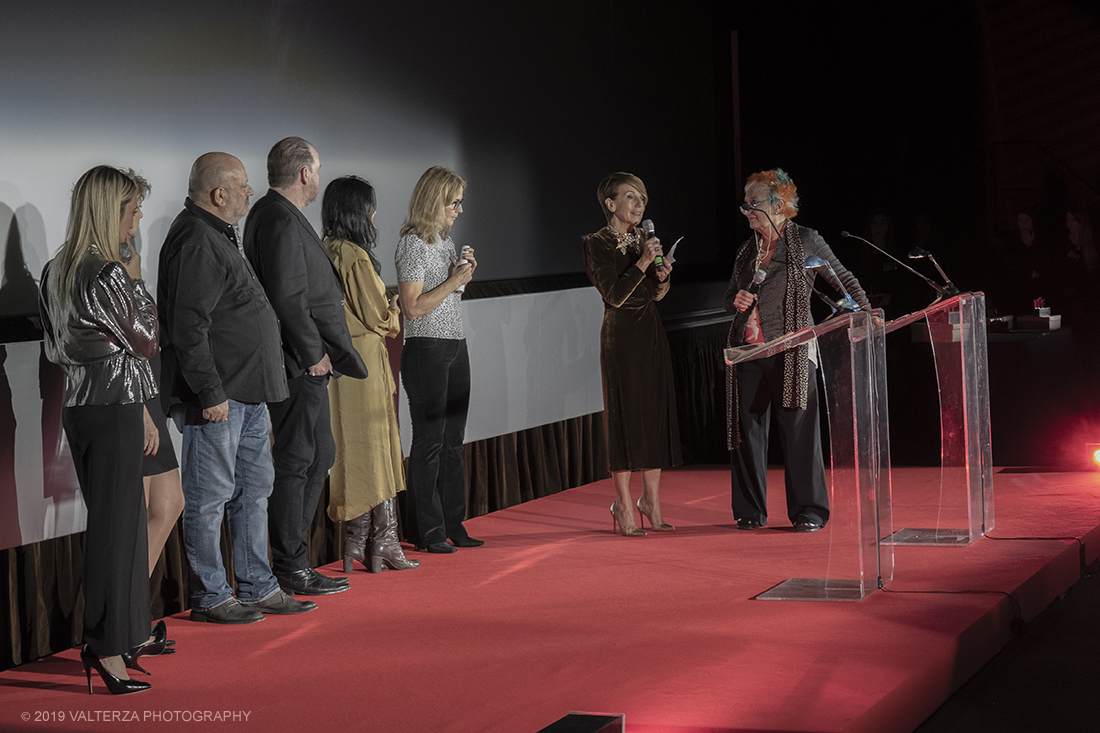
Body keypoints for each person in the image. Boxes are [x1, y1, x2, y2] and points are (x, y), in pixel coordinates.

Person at [159, 152, 317, 623]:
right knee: (209, 498)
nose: (251, 192)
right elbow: (188, 326)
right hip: (219, 399)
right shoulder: (196, 239)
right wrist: (210, 393)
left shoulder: (214, 234)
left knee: (254, 489)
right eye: (243, 185)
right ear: (218, 193)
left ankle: (257, 586)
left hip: (245, 394)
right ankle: (211, 596)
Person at [39, 165, 158, 694]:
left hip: (82, 406)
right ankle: (107, 647)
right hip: (113, 409)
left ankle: (121, 638)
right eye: (132, 214)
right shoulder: (108, 273)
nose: (135, 227)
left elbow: (54, 347)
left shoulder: (54, 269)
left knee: (122, 526)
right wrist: (136, 283)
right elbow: (147, 340)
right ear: (111, 211)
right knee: (118, 531)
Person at [244, 137, 368, 595]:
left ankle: (295, 559)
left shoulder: (277, 214)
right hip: (299, 363)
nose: (318, 177)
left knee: (319, 454)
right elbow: (288, 297)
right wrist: (312, 353)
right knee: (297, 460)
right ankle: (290, 565)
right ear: (303, 174)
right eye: (317, 169)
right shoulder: (276, 216)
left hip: (305, 361)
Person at [724, 168, 869, 533]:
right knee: (747, 434)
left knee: (800, 433)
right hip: (747, 351)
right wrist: (735, 300)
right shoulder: (746, 250)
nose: (746, 210)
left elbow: (844, 281)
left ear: (779, 204)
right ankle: (749, 511)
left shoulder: (806, 240)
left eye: (752, 203)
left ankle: (810, 511)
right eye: (745, 204)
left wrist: (866, 312)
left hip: (791, 350)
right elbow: (730, 297)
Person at [321, 176, 419, 573]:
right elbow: (378, 315)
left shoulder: (326, 248)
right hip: (362, 360)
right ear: (358, 212)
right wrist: (393, 309)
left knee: (357, 450)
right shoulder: (355, 256)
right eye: (370, 207)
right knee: (375, 448)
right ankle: (382, 542)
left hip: (342, 364)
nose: (375, 214)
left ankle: (361, 542)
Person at [581, 172, 681, 537]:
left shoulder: (644, 239)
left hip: (650, 332)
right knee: (625, 417)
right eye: (631, 198)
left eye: (642, 199)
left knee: (652, 414)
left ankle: (650, 501)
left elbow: (655, 295)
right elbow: (614, 295)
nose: (639, 205)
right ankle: (622, 503)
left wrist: (663, 275)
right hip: (620, 336)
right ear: (611, 204)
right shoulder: (598, 243)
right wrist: (642, 262)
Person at [395, 166, 483, 553]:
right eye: (455, 202)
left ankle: (453, 523)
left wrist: (461, 277)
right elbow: (413, 308)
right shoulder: (412, 244)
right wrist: (452, 282)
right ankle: (427, 530)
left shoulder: (445, 243)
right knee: (429, 442)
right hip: (425, 348)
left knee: (453, 441)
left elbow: (447, 298)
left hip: (454, 343)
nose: (459, 209)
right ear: (435, 201)